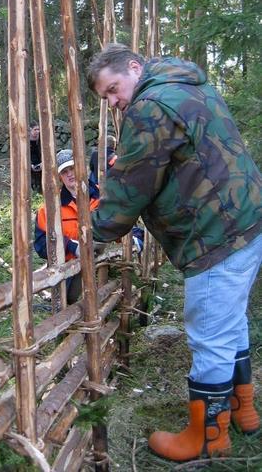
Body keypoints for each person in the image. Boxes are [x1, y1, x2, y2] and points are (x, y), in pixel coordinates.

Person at [87, 43, 261, 462]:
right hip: (246, 222)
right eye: (106, 98)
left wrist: (96, 233)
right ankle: (244, 410)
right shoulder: (188, 84)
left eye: (113, 89)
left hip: (213, 235)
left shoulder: (150, 107)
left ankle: (208, 437)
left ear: (134, 67)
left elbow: (132, 186)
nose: (114, 102)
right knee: (231, 322)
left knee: (211, 335)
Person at [34, 149, 100, 304]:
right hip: (70, 272)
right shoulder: (49, 209)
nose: (70, 174)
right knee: (70, 300)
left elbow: (118, 224)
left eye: (72, 168)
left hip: (102, 266)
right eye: (64, 171)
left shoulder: (101, 197)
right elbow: (41, 245)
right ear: (59, 177)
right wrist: (70, 246)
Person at [29, 121, 42, 193]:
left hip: (39, 162)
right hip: (30, 163)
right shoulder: (25, 139)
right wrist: (30, 165)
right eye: (35, 129)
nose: (37, 131)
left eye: (38, 129)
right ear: (30, 129)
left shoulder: (41, 139)